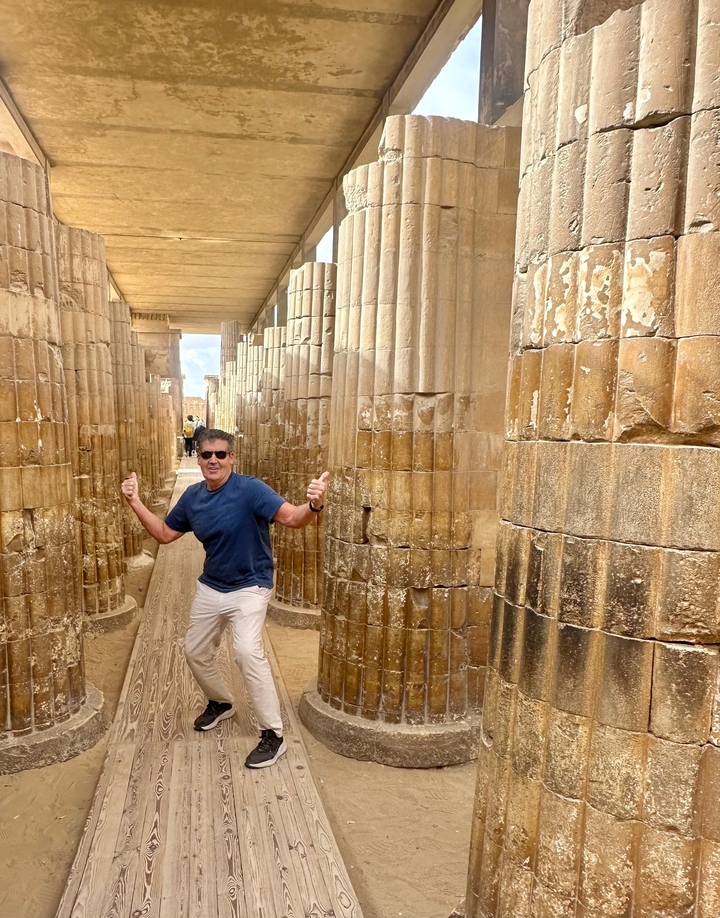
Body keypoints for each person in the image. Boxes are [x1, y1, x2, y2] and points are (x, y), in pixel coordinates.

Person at [121, 427, 328, 768]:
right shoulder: (192, 497)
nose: (213, 460)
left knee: (247, 652)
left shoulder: (249, 489)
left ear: (231, 457)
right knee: (194, 650)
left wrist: (313, 505)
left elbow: (292, 518)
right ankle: (221, 702)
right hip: (212, 585)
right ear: (198, 458)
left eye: (221, 454)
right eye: (207, 455)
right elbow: (163, 534)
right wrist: (134, 501)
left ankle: (273, 735)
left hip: (250, 585)